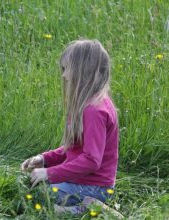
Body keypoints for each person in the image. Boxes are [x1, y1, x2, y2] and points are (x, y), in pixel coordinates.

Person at [21, 40, 120, 215]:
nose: (64, 76)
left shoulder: (94, 111)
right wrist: (44, 159)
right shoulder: (91, 105)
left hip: (94, 187)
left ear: (83, 72)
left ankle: (86, 209)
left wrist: (49, 173)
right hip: (85, 183)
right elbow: (75, 148)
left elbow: (91, 160)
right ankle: (85, 206)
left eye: (67, 69)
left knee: (36, 196)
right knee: (34, 188)